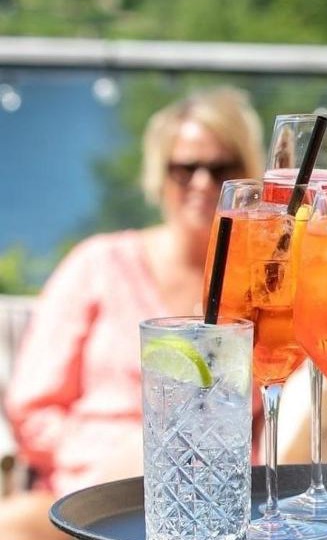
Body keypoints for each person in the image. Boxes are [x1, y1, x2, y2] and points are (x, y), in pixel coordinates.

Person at [0, 86, 263, 540]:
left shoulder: (261, 283)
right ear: (157, 175)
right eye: (184, 168)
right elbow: (32, 407)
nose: (202, 182)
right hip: (93, 494)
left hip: (227, 498)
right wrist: (103, 459)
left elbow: (283, 399)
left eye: (220, 168)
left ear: (247, 175)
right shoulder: (98, 264)